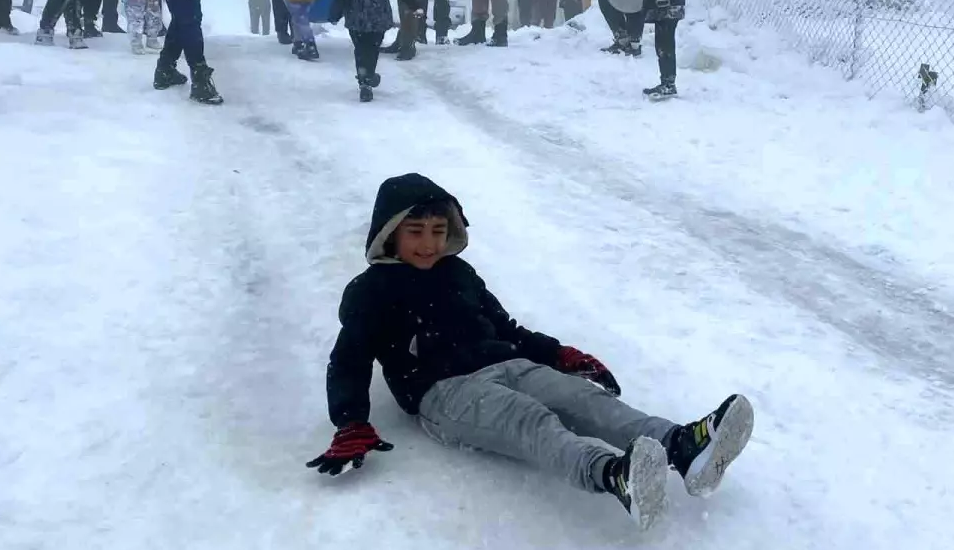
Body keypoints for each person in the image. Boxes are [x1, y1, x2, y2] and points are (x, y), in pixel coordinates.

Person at [306, 174, 755, 531]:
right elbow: (350, 357)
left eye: (438, 231)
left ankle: (682, 446)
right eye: (416, 232)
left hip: (507, 362)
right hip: (442, 391)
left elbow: (506, 328)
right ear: (389, 235)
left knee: (585, 400)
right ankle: (614, 476)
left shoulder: (459, 273)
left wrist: (561, 355)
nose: (429, 244)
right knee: (529, 420)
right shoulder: (370, 291)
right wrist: (350, 420)